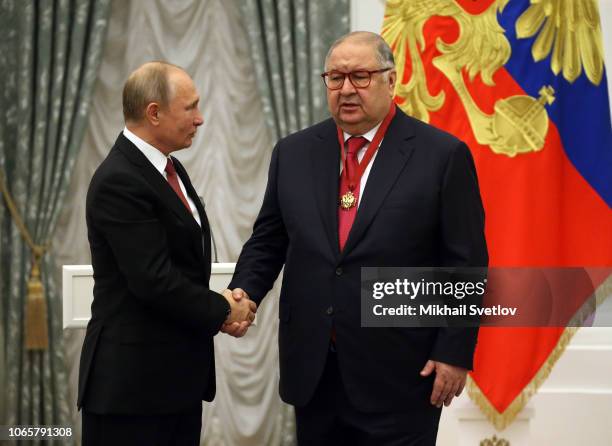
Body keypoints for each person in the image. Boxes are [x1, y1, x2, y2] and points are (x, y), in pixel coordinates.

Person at [226, 32, 488, 445]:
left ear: (391, 80)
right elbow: (268, 240)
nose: (346, 89)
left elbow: (465, 264)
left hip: (401, 373)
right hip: (314, 370)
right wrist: (243, 294)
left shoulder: (441, 156)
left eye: (361, 76)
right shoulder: (293, 153)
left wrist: (453, 351)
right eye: (335, 78)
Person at [77, 61, 256, 446]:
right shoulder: (120, 180)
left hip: (172, 382)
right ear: (154, 113)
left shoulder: (167, 168)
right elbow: (153, 280)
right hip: (132, 390)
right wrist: (225, 310)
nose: (200, 118)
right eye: (190, 107)